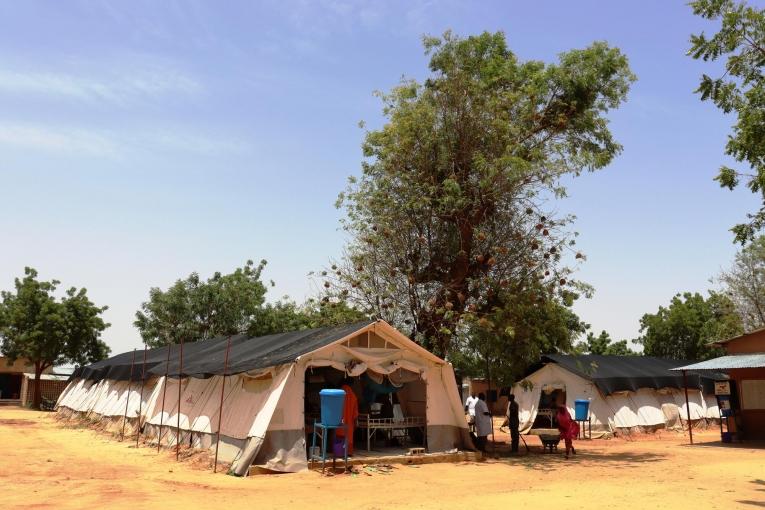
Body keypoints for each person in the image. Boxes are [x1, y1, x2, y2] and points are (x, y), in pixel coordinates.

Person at [335, 378, 359, 456]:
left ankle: (339, 452)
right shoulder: (353, 395)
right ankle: (348, 452)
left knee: (339, 435)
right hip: (349, 423)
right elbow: (355, 413)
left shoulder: (338, 394)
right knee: (348, 436)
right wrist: (355, 422)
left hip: (339, 421)